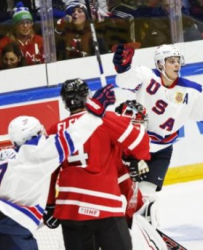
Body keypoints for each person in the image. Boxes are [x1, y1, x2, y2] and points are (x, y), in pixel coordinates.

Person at [112, 43, 203, 226]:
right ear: (160, 64)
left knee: (146, 200)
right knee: (121, 196)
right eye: (171, 61)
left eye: (178, 61)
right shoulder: (146, 76)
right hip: (134, 149)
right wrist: (123, 67)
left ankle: (147, 236)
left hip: (161, 152)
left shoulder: (191, 91)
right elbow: (124, 80)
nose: (176, 65)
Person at [0, 84, 116, 250]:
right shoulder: (36, 153)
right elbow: (72, 136)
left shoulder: (7, 158)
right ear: (35, 133)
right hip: (13, 226)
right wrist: (95, 111)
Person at [44, 78, 151, 250]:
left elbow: (48, 172)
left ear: (64, 101)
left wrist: (49, 204)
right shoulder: (104, 121)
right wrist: (133, 158)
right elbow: (141, 144)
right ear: (88, 97)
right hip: (105, 206)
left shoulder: (54, 130)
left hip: (69, 209)